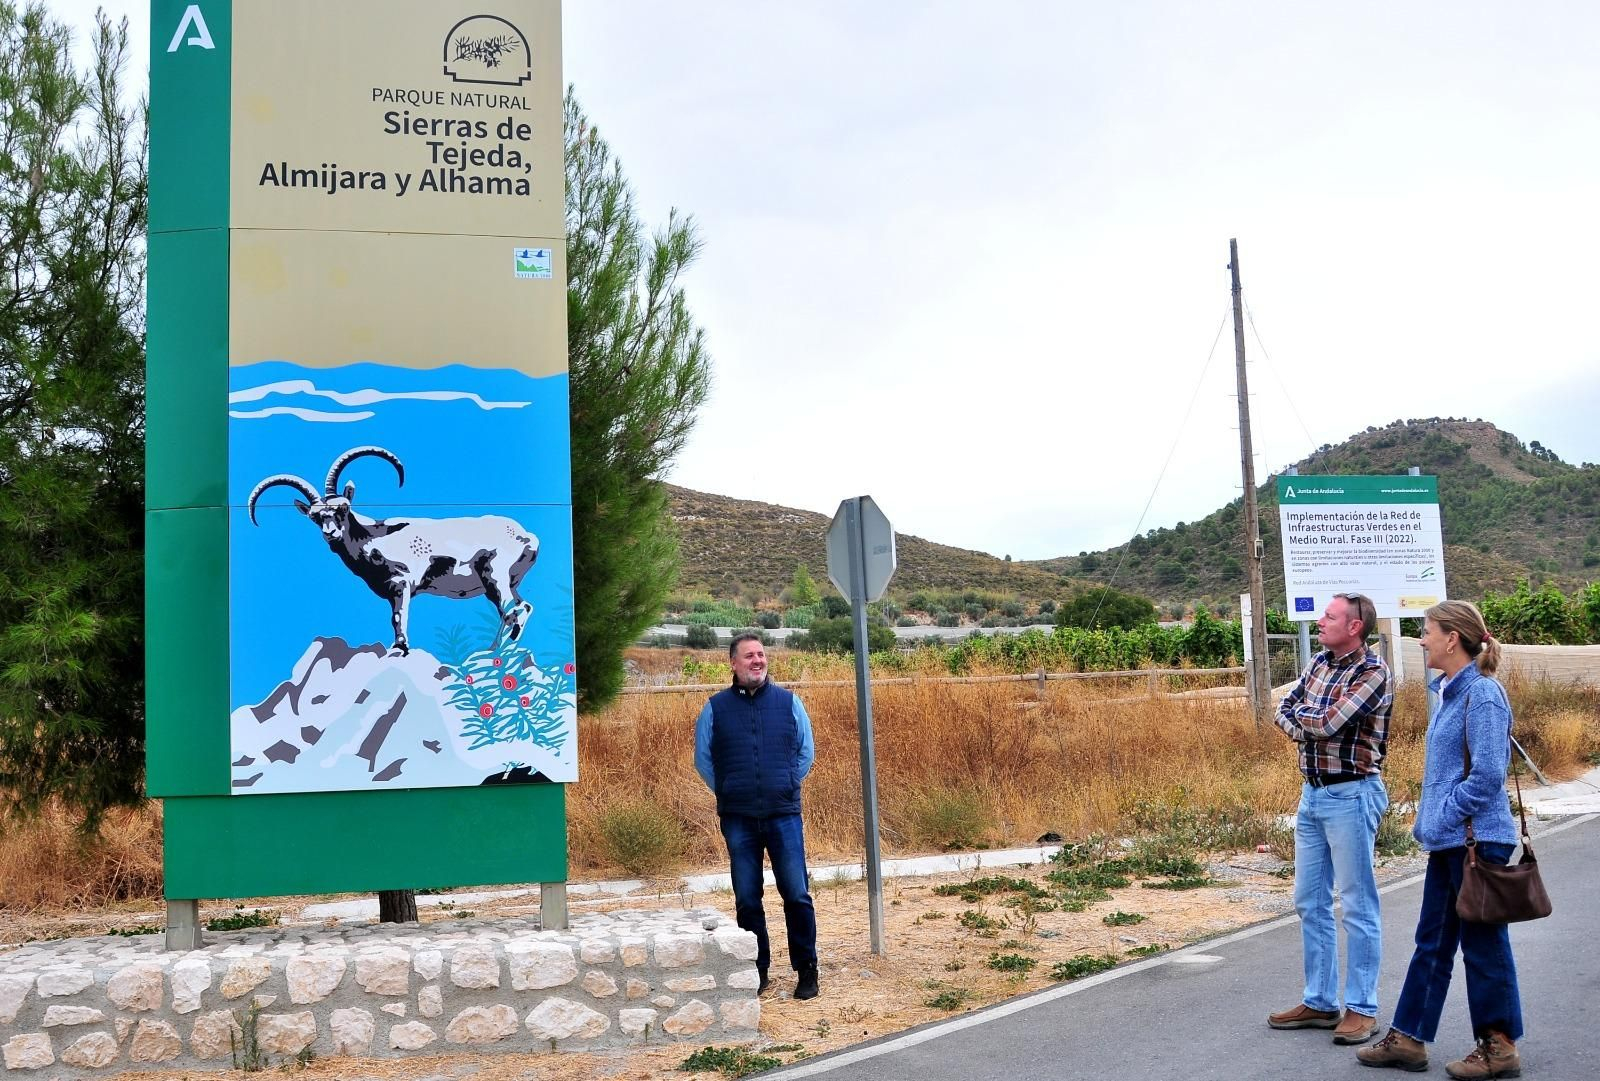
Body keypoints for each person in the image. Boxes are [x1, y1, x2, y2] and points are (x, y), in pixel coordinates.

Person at [1358, 600, 1524, 1078]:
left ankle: (1499, 1047)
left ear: (1452, 637)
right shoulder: (1451, 692)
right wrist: (1434, 824)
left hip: (1476, 841)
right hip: (1451, 841)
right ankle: (1408, 1038)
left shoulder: (1484, 695)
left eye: (1427, 630)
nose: (1422, 638)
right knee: (1432, 942)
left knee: (1483, 945)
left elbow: (1488, 776)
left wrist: (1444, 816)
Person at [1268, 592, 1393, 1047]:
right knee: (1309, 901)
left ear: (1355, 626)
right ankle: (1320, 1001)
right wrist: (1307, 718)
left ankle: (1361, 1008)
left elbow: (1326, 724)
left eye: (1330, 616)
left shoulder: (1373, 673)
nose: (1321, 621)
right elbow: (1282, 709)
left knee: (1358, 904)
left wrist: (1305, 720)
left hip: (1351, 795)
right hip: (1312, 796)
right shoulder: (1319, 663)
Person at [694, 633, 820, 1000]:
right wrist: (730, 789)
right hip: (739, 818)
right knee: (748, 898)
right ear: (733, 663)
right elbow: (703, 760)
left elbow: (805, 753)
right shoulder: (715, 708)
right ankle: (757, 969)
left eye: (761, 654)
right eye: (749, 656)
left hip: (784, 815)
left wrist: (785, 785)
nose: (757, 660)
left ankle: (807, 970)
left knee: (796, 893)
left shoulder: (789, 703)